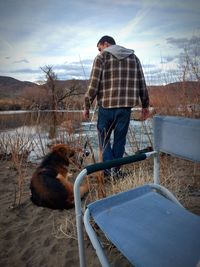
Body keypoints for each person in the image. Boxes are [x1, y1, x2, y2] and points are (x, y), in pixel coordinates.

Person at [83, 35, 149, 176]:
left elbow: (93, 85)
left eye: (99, 48)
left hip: (106, 108)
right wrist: (145, 105)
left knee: (104, 139)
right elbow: (141, 83)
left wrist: (86, 105)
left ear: (105, 44)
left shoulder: (101, 58)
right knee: (120, 140)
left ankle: (109, 171)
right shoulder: (134, 58)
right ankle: (116, 172)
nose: (99, 51)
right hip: (125, 108)